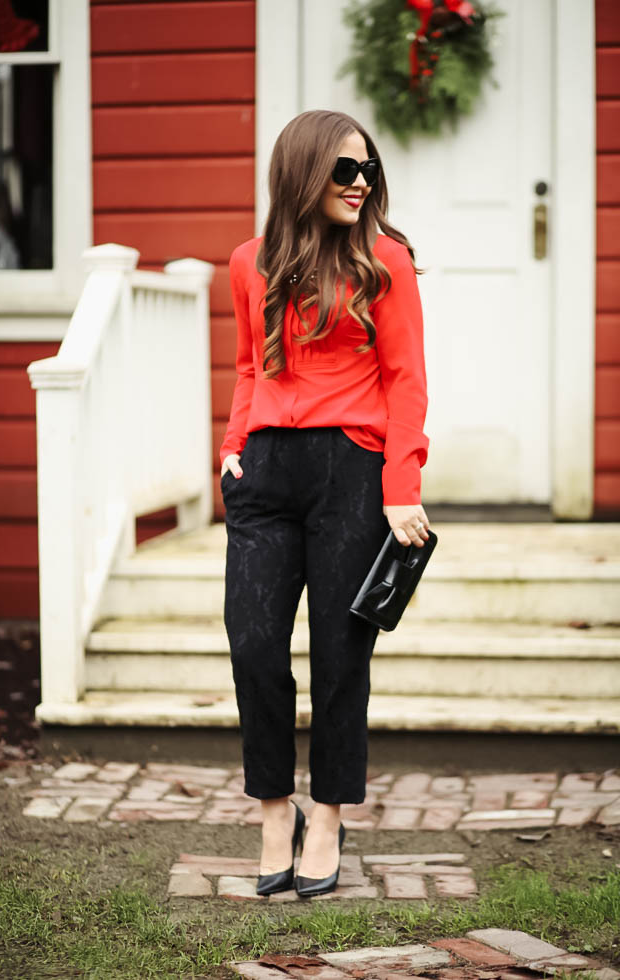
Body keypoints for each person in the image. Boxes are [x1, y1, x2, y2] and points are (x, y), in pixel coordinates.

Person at [219, 109, 431, 898]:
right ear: (304, 174)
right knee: (254, 646)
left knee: (341, 660)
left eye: (368, 169)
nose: (361, 183)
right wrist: (233, 450)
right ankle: (276, 809)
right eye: (345, 170)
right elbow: (249, 366)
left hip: (352, 470)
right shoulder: (250, 262)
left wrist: (401, 483)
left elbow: (405, 379)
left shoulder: (386, 260)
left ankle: (329, 814)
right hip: (265, 474)